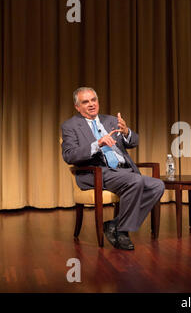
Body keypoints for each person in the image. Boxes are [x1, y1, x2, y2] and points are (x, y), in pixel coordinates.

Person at [61, 87, 165, 250]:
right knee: (135, 180)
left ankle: (114, 224)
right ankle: (123, 232)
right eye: (85, 102)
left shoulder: (110, 120)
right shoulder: (70, 126)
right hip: (96, 172)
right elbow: (70, 156)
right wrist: (98, 144)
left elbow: (134, 142)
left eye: (93, 100)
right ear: (77, 107)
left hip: (123, 171)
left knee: (157, 185)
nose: (91, 104)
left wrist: (126, 132)